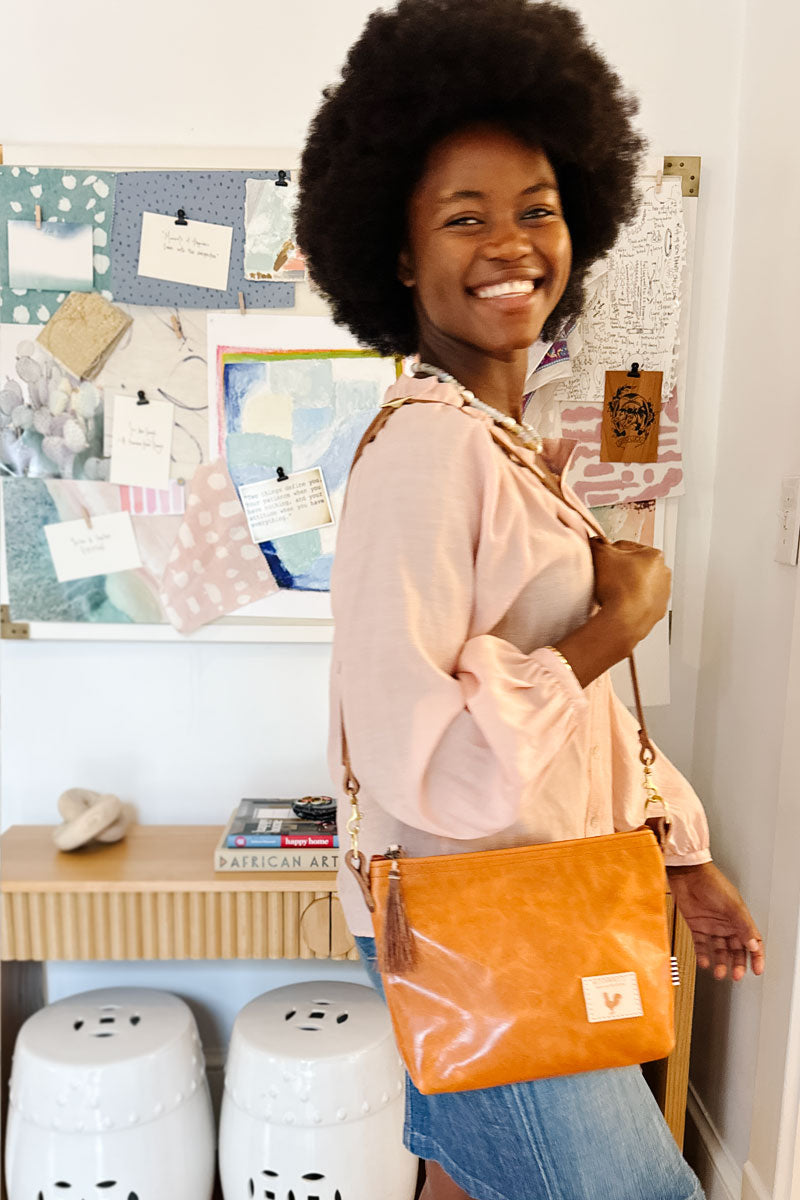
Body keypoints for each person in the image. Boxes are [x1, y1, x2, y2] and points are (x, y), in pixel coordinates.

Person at [296, 2, 764, 1197]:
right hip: (484, 925)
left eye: (537, 209)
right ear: (398, 257)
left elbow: (578, 728)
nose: (510, 244)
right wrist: (620, 618)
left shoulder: (501, 442)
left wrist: (674, 848)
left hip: (532, 904)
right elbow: (433, 771)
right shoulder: (425, 450)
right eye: (463, 218)